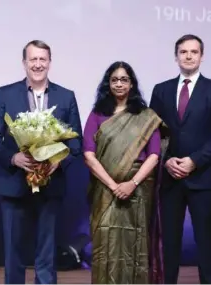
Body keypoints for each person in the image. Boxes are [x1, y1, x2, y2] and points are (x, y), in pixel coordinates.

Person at [0, 40, 83, 284]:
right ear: (24, 63)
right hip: (14, 184)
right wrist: (13, 157)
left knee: (46, 251)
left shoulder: (66, 96)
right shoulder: (5, 93)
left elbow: (76, 142)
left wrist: (59, 161)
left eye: (42, 59)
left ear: (49, 62)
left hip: (51, 185)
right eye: (33, 59)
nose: (38, 64)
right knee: (13, 250)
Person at [149, 34, 211, 284]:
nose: (188, 56)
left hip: (203, 176)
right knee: (170, 242)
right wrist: (166, 160)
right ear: (176, 56)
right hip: (170, 177)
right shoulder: (161, 90)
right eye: (183, 52)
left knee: (206, 241)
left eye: (193, 52)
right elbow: (153, 131)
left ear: (201, 56)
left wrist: (194, 161)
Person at [83, 61, 164, 284]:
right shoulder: (98, 114)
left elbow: (154, 155)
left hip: (137, 190)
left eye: (124, 79)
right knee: (105, 242)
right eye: (114, 79)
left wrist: (132, 183)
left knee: (134, 244)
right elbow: (89, 155)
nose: (119, 84)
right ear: (108, 84)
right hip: (105, 189)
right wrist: (113, 185)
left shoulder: (145, 116)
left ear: (131, 84)